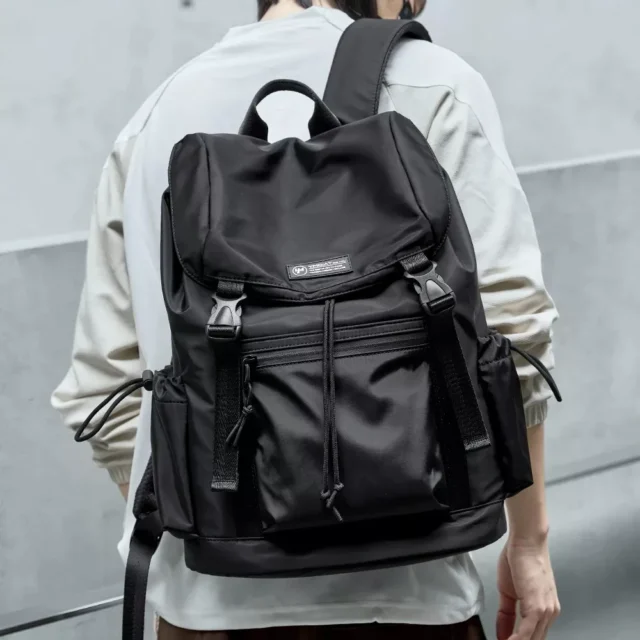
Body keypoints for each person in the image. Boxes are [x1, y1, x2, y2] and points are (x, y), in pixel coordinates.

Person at [51, 1, 561, 638]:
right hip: (410, 595)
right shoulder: (434, 83)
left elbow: (99, 388)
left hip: (204, 609)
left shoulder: (152, 121)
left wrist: (208, 513)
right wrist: (529, 541)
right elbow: (513, 327)